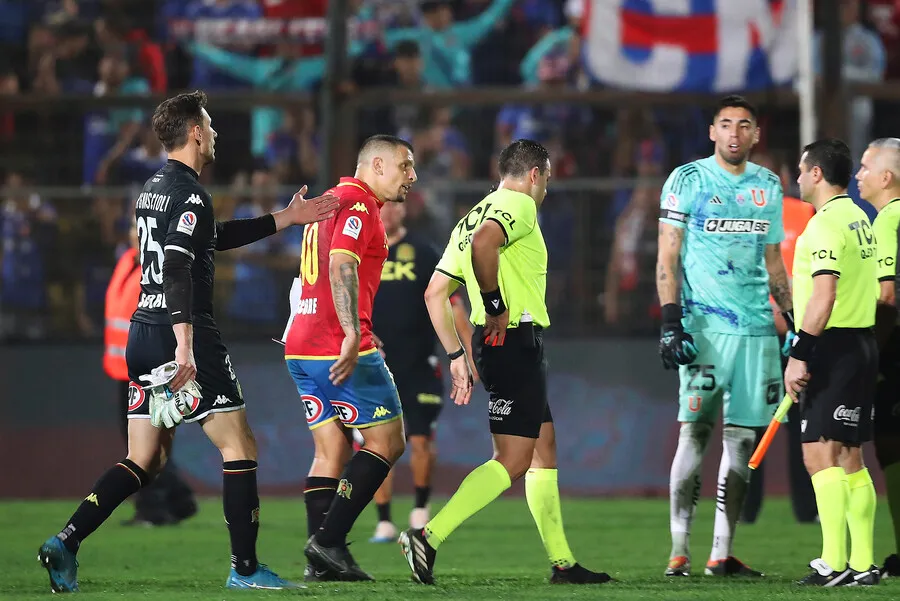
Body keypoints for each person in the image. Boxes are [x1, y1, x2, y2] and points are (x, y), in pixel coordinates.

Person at [37, 90, 338, 593]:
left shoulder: (152, 189)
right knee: (239, 446)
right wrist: (184, 346)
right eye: (210, 124)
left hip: (142, 333)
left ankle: (66, 540)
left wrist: (284, 219)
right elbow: (178, 265)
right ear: (196, 132)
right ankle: (245, 569)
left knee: (145, 459)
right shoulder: (192, 193)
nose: (215, 132)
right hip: (183, 334)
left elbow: (208, 237)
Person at [400, 139, 610, 586]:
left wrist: (456, 354)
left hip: (499, 343)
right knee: (512, 461)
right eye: (547, 178)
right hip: (512, 340)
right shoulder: (518, 204)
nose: (546, 188)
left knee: (543, 448)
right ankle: (428, 536)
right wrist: (495, 305)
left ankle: (562, 563)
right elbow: (485, 244)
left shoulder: (470, 216)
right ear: (534, 174)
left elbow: (434, 294)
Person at [655, 95, 791, 578]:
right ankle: (678, 550)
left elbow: (774, 263)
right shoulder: (688, 179)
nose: (735, 133)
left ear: (756, 134)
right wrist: (670, 321)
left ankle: (720, 552)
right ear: (712, 132)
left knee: (742, 443)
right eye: (726, 124)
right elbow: (667, 256)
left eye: (744, 125)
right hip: (705, 329)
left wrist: (793, 322)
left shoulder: (768, 186)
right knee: (694, 433)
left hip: (756, 331)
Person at [285, 135, 417, 582]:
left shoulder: (330, 200)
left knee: (331, 451)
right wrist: (352, 332)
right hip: (335, 344)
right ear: (377, 165)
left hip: (300, 343)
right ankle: (328, 542)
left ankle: (320, 565)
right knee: (388, 442)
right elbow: (342, 263)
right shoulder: (359, 204)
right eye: (405, 166)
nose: (412, 176)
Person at [787, 138, 879, 586]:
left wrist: (800, 353)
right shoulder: (861, 219)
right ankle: (862, 564)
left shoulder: (824, 225)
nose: (797, 178)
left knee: (818, 454)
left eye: (801, 170)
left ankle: (834, 563)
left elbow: (824, 296)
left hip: (833, 347)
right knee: (849, 456)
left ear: (817, 173)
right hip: (861, 344)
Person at [367, 199, 476, 543]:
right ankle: (384, 521)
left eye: (395, 206)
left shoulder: (424, 252)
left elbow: (452, 304)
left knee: (420, 439)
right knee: (378, 443)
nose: (388, 211)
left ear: (403, 211)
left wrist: (469, 354)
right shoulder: (362, 251)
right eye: (383, 206)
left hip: (419, 364)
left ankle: (419, 509)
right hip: (374, 364)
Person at [740, 153, 818, 525]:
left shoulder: (804, 213)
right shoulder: (740, 218)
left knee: (802, 422)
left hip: (797, 334)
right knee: (751, 421)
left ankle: (807, 508)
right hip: (757, 333)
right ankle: (744, 508)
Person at [104, 221, 196, 527]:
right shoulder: (127, 260)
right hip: (123, 368)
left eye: (138, 226)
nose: (135, 232)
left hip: (148, 369)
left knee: (144, 444)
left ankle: (153, 509)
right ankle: (179, 500)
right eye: (132, 226)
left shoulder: (157, 270)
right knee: (145, 442)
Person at [855, 137, 900, 579]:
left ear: (886, 177)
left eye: (866, 167)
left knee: (890, 445)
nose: (858, 174)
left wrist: (871, 354)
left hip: (896, 350)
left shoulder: (887, 219)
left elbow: (887, 297)